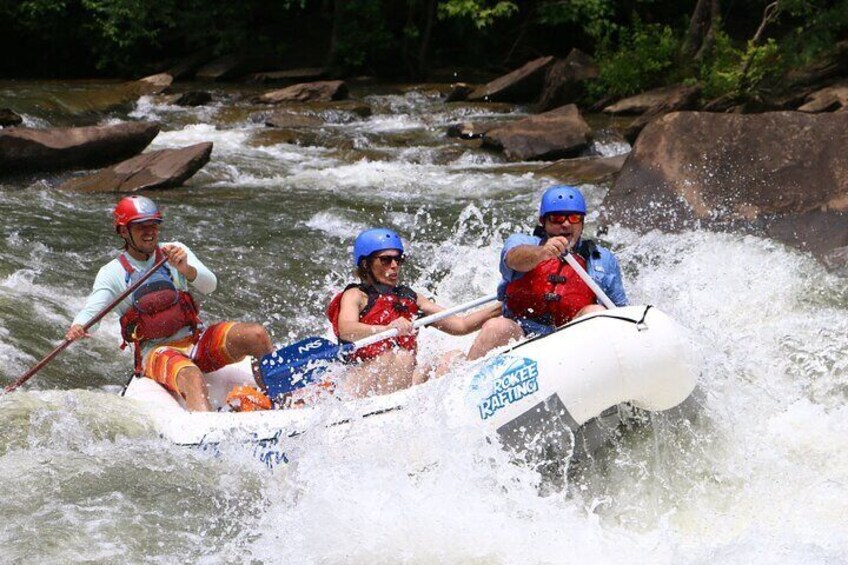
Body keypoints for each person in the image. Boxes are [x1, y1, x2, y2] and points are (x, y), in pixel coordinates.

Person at [65, 195, 273, 412]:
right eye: (141, 227)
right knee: (192, 376)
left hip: (195, 339)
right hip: (156, 351)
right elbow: (93, 311)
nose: (149, 232)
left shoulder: (174, 252)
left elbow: (209, 285)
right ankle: (209, 429)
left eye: (153, 225)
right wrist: (78, 326)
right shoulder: (112, 273)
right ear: (124, 231)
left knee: (256, 334)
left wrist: (185, 269)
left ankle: (281, 397)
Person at [325, 228, 501, 398]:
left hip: (400, 378)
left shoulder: (410, 298)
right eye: (385, 260)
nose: (394, 266)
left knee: (452, 358)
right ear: (366, 264)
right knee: (401, 357)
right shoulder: (356, 295)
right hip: (361, 381)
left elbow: (461, 325)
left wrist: (501, 305)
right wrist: (386, 328)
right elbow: (346, 329)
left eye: (398, 259)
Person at [467, 185, 628, 360]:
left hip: (570, 340)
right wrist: (542, 252)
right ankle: (464, 382)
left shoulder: (603, 259)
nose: (566, 224)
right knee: (495, 327)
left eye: (574, 217)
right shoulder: (523, 243)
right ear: (543, 221)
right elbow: (513, 258)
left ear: (582, 222)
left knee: (596, 312)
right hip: (522, 334)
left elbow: (620, 311)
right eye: (557, 218)